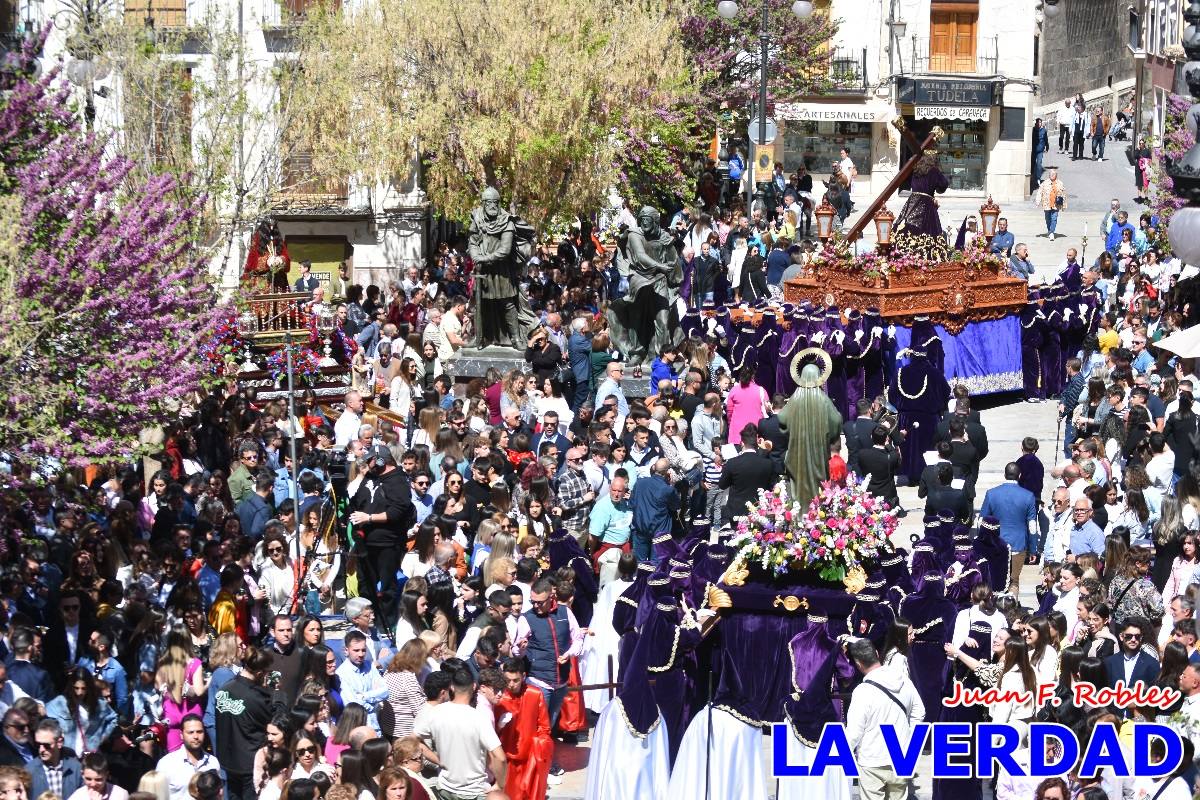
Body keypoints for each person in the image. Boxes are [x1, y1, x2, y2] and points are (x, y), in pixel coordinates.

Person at [844, 639, 924, 800]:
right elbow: (919, 712)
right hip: (901, 759)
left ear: (858, 664)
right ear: (877, 655)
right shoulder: (904, 680)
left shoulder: (862, 691)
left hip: (872, 761)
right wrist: (908, 739)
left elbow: (854, 733)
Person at [349, 445, 415, 633]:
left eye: (370, 460)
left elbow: (397, 512)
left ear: (380, 460)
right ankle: (364, 623)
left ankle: (385, 625)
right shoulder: (370, 477)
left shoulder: (398, 481)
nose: (367, 464)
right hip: (365, 542)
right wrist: (362, 475)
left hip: (387, 542)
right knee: (365, 585)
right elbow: (353, 498)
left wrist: (369, 518)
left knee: (386, 587)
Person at [412, 667, 507, 799]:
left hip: (445, 788)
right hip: (473, 792)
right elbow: (500, 757)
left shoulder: (435, 712)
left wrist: (438, 760)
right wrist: (500, 785)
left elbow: (413, 739)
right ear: (474, 687)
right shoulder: (479, 718)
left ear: (451, 687)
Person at [215, 647, 284, 800]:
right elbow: (274, 721)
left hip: (228, 761)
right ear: (260, 673)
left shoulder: (224, 689)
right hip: (250, 763)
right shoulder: (256, 697)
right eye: (266, 672)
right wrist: (277, 694)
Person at [495, 657, 553, 800]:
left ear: (524, 676)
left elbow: (544, 727)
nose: (511, 684)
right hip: (506, 760)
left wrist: (539, 747)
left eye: (516, 680)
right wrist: (498, 726)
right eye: (507, 680)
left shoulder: (535, 694)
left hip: (530, 759)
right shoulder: (499, 698)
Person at [979, 464, 1038, 594]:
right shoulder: (1028, 496)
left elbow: (981, 521)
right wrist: (1033, 549)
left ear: (1005, 475)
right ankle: (1011, 609)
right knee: (1014, 581)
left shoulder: (991, 494)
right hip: (1018, 546)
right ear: (1020, 476)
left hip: (996, 545)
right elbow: (1032, 526)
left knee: (993, 580)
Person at [155, 715, 220, 800]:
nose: (196, 736)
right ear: (181, 735)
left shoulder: (213, 762)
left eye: (199, 732)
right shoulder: (166, 764)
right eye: (191, 732)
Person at [29, 719, 83, 800]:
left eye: (46, 745)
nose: (41, 749)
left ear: (59, 743)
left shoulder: (76, 769)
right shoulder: (29, 771)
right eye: (38, 745)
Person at [1035, 168, 1066, 241]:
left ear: (1056, 175)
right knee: (1048, 219)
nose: (1052, 175)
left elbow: (1063, 195)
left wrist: (1064, 205)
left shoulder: (1060, 183)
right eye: (1051, 174)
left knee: (1054, 218)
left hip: (1056, 204)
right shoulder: (1045, 183)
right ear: (1049, 175)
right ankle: (1049, 231)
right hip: (1047, 204)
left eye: (1054, 174)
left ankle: (1051, 232)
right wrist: (1037, 201)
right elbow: (1040, 192)